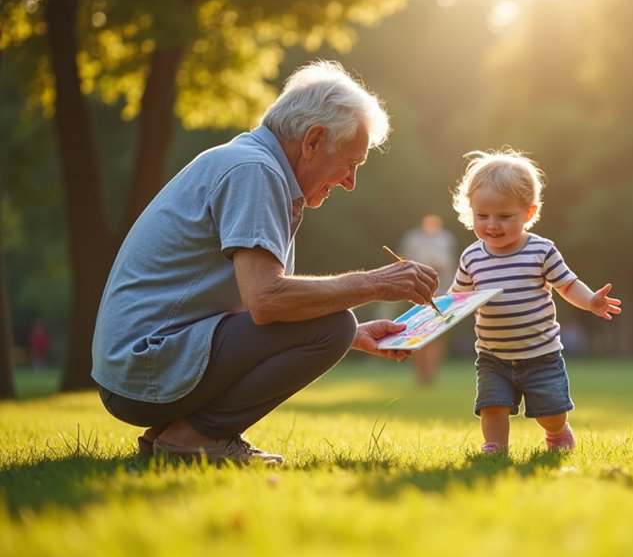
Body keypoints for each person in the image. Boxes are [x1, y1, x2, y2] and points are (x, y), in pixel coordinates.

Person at [92, 61, 440, 465]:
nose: (350, 182)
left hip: (140, 369)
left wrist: (354, 336)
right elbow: (267, 300)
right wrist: (376, 285)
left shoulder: (253, 164)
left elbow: (250, 305)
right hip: (145, 368)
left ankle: (173, 435)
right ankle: (195, 436)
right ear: (313, 141)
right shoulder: (254, 171)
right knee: (336, 323)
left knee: (340, 326)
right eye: (350, 163)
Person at [450, 148, 622, 455]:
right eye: (482, 215)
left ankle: (557, 433)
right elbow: (457, 299)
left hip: (540, 354)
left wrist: (590, 301)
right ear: (470, 211)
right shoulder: (472, 257)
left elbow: (568, 285)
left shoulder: (541, 251)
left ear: (528, 213)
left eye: (504, 216)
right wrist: (430, 316)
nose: (492, 225)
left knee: (550, 413)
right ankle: (495, 448)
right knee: (492, 406)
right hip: (493, 355)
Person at [398, 214, 458, 385]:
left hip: (440, 292)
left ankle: (431, 374)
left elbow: (450, 264)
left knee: (437, 335)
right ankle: (420, 375)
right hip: (415, 292)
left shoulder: (446, 239)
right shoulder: (413, 239)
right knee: (417, 332)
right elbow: (404, 260)